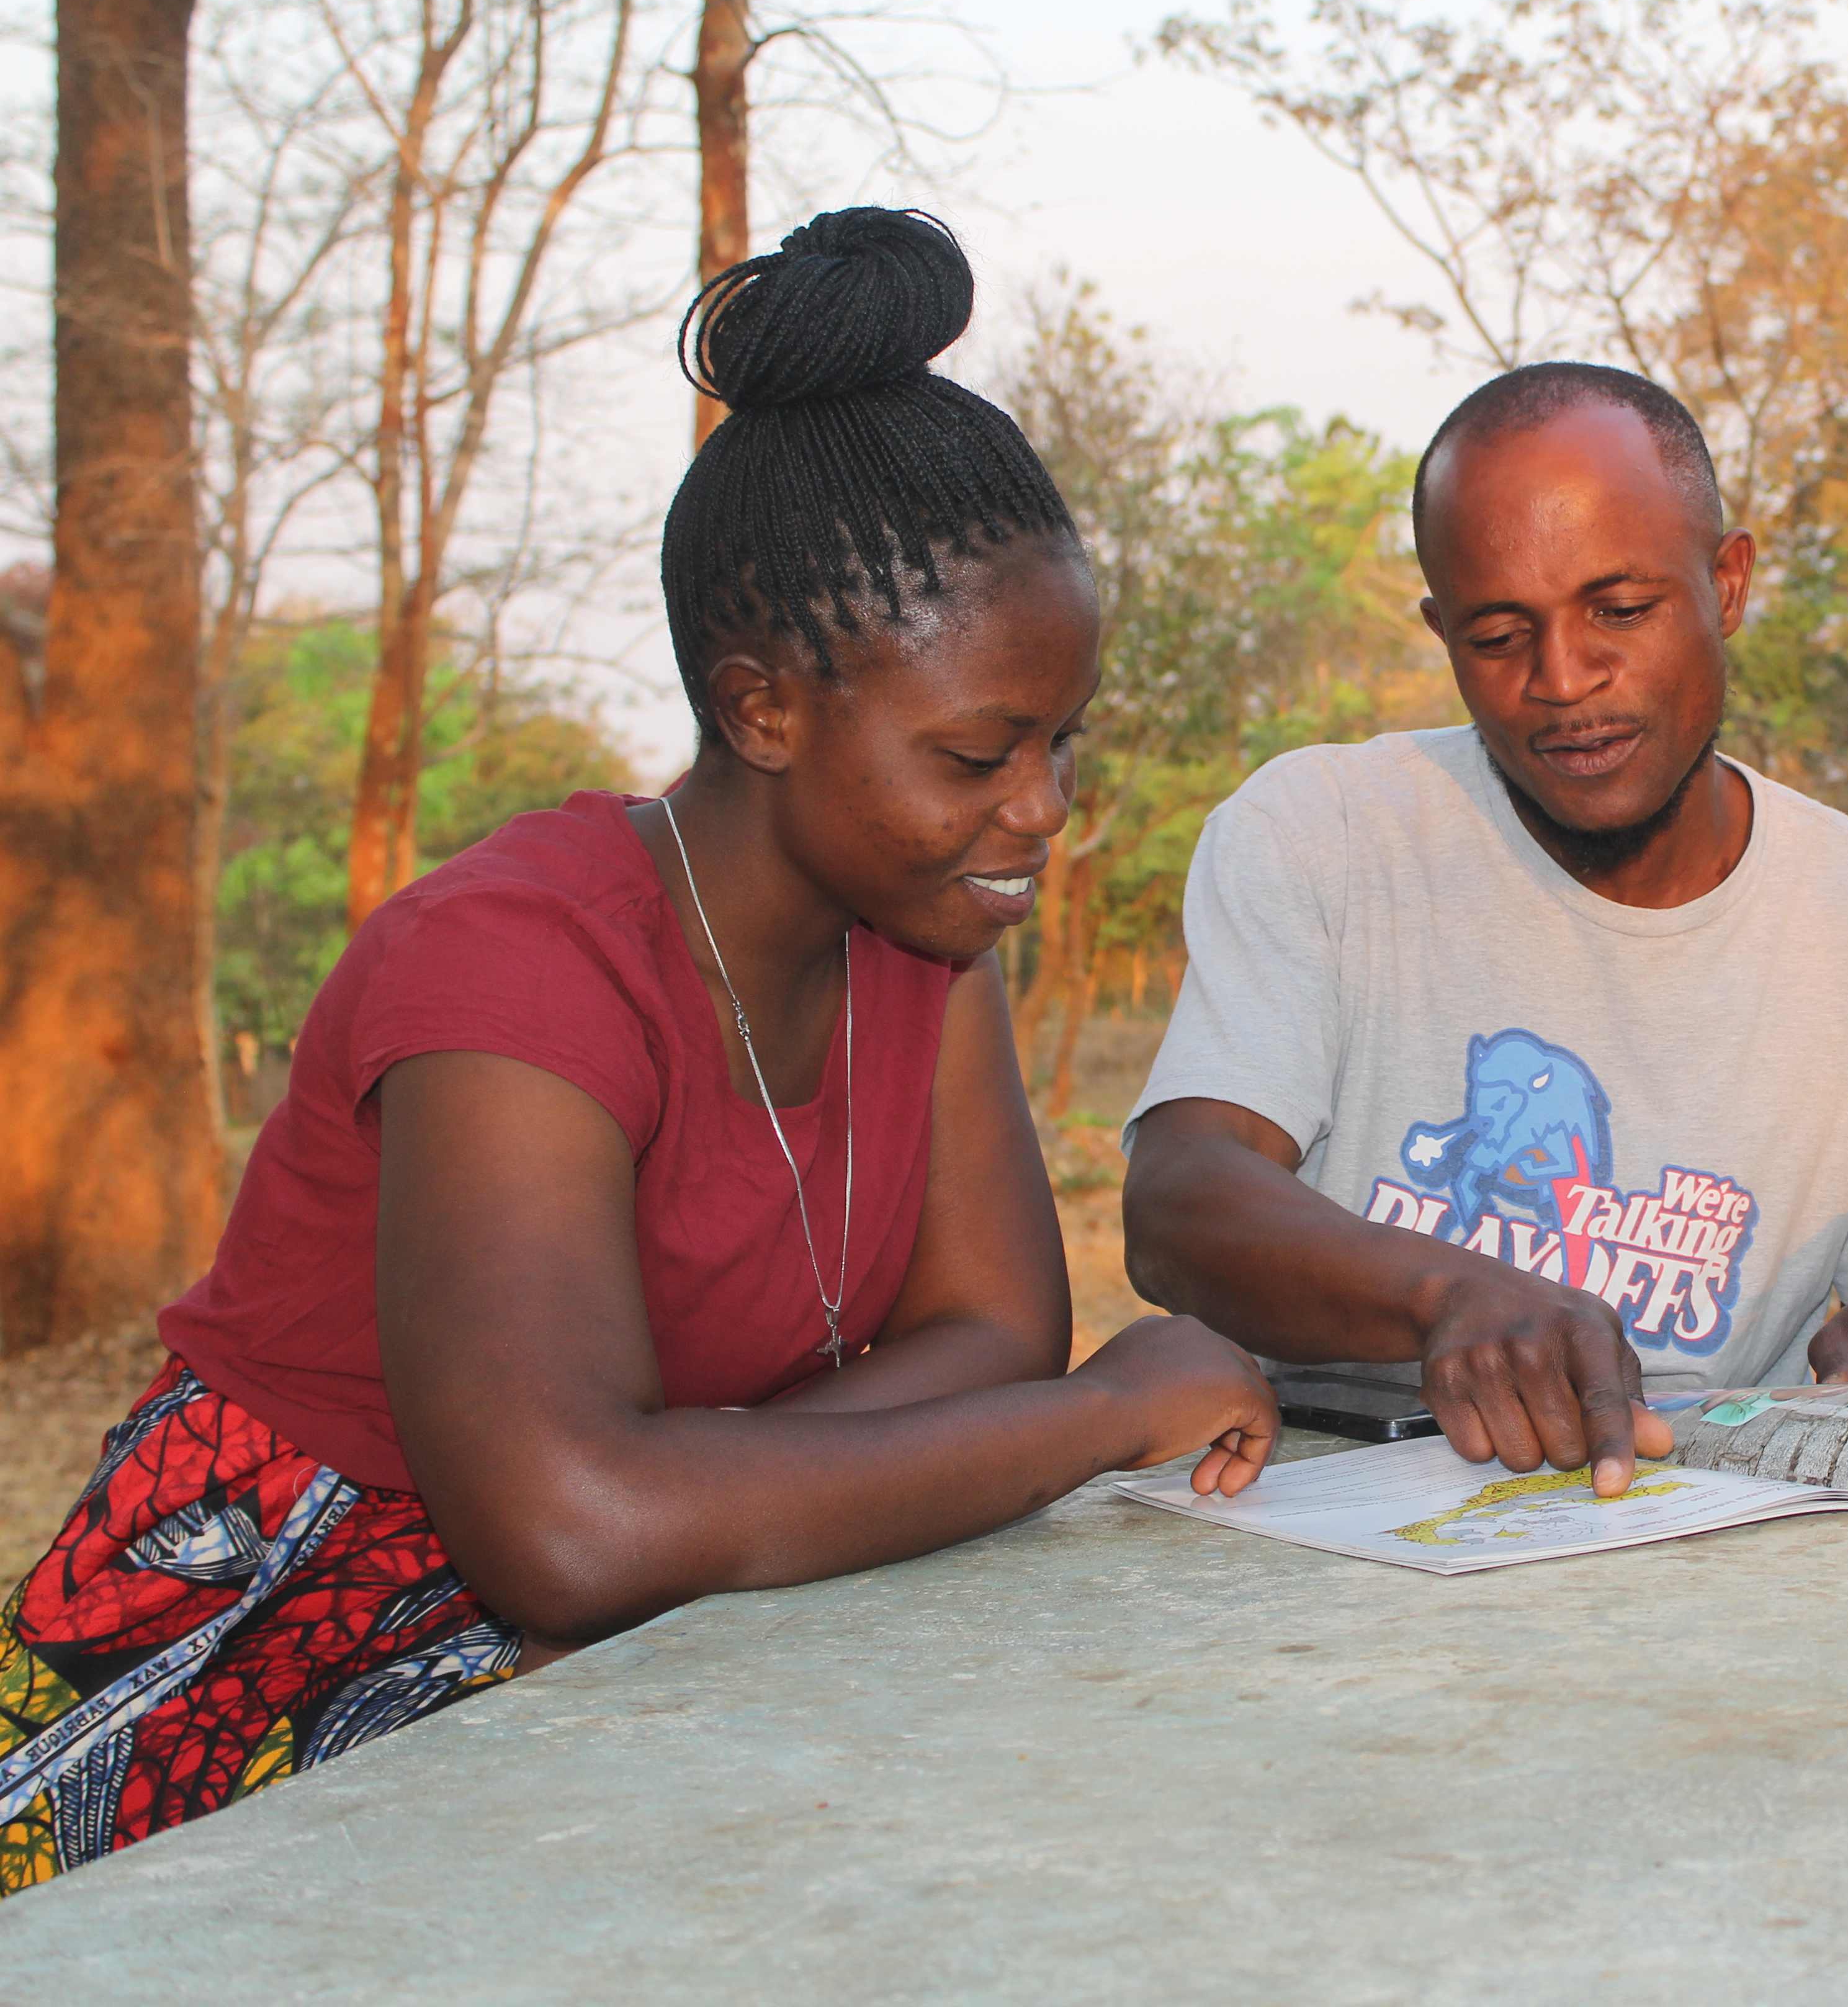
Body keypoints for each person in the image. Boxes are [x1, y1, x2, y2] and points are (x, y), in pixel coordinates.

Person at [0, 208, 1276, 1894]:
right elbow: (564, 1531)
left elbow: (990, 1328)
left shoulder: (919, 927)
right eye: (980, 753)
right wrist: (1098, 1416)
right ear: (760, 709)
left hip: (618, 1617)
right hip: (254, 1662)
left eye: (1061, 742)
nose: (1041, 812)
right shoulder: (512, 966)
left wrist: (704, 1487)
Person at [1123, 362, 1848, 1499]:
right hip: (1338, 1547)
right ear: (1441, 631)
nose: (1563, 680)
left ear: (1730, 583)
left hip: (1693, 1544)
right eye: (1499, 636)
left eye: (1622, 611)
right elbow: (1177, 1201)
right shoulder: (1324, 831)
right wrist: (1446, 1293)